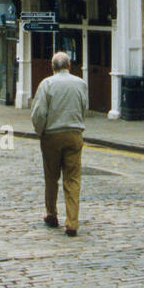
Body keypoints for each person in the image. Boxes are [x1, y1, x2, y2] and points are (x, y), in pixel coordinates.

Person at [30, 51, 88, 237]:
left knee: (51, 177)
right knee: (73, 179)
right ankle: (72, 223)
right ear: (69, 66)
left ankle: (52, 214)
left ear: (52, 67)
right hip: (74, 134)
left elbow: (39, 113)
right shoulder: (80, 83)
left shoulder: (46, 84)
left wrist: (41, 132)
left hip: (52, 135)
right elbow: (84, 106)